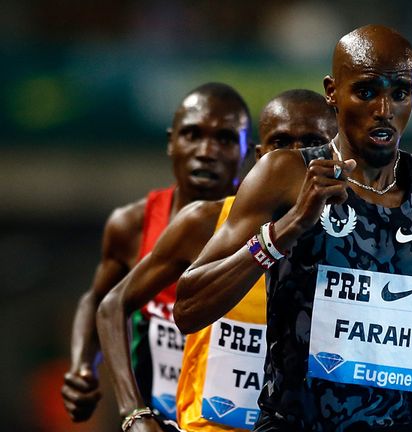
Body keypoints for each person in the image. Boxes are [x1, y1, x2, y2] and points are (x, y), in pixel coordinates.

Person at [175, 25, 412, 431]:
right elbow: (188, 307)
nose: (384, 109)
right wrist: (287, 228)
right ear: (332, 92)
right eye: (366, 91)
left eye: (400, 92)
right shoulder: (285, 175)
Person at [95, 89, 337, 432]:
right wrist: (135, 414)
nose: (294, 158)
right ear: (259, 155)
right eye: (281, 144)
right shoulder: (206, 223)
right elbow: (112, 306)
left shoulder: (359, 240)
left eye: (312, 143)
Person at [62, 82, 252, 430]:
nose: (206, 150)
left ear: (247, 151)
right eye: (192, 134)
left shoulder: (267, 231)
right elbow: (99, 300)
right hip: (154, 418)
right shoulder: (132, 226)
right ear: (170, 141)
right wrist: (82, 366)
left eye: (225, 138)